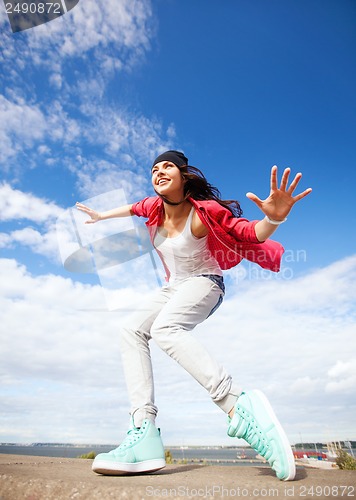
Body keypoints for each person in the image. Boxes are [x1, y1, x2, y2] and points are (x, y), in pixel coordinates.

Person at [76, 150, 312, 481]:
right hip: (174, 287)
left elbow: (247, 233)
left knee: (165, 329)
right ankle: (144, 429)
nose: (158, 172)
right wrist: (101, 216)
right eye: (154, 169)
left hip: (206, 283)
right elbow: (131, 208)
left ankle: (236, 404)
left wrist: (274, 218)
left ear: (184, 175)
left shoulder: (205, 212)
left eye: (167, 166)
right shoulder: (152, 207)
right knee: (130, 328)